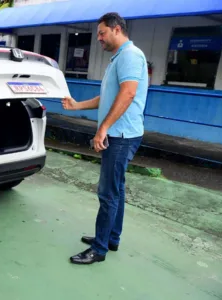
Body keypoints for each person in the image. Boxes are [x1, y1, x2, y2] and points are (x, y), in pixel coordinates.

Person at [63, 12, 149, 265]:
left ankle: (99, 249)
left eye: (102, 33)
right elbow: (108, 98)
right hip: (120, 133)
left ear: (116, 29)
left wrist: (103, 129)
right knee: (117, 190)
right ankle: (111, 238)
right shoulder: (118, 59)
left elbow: (129, 94)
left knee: (108, 193)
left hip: (121, 136)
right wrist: (77, 105)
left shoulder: (131, 56)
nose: (98, 38)